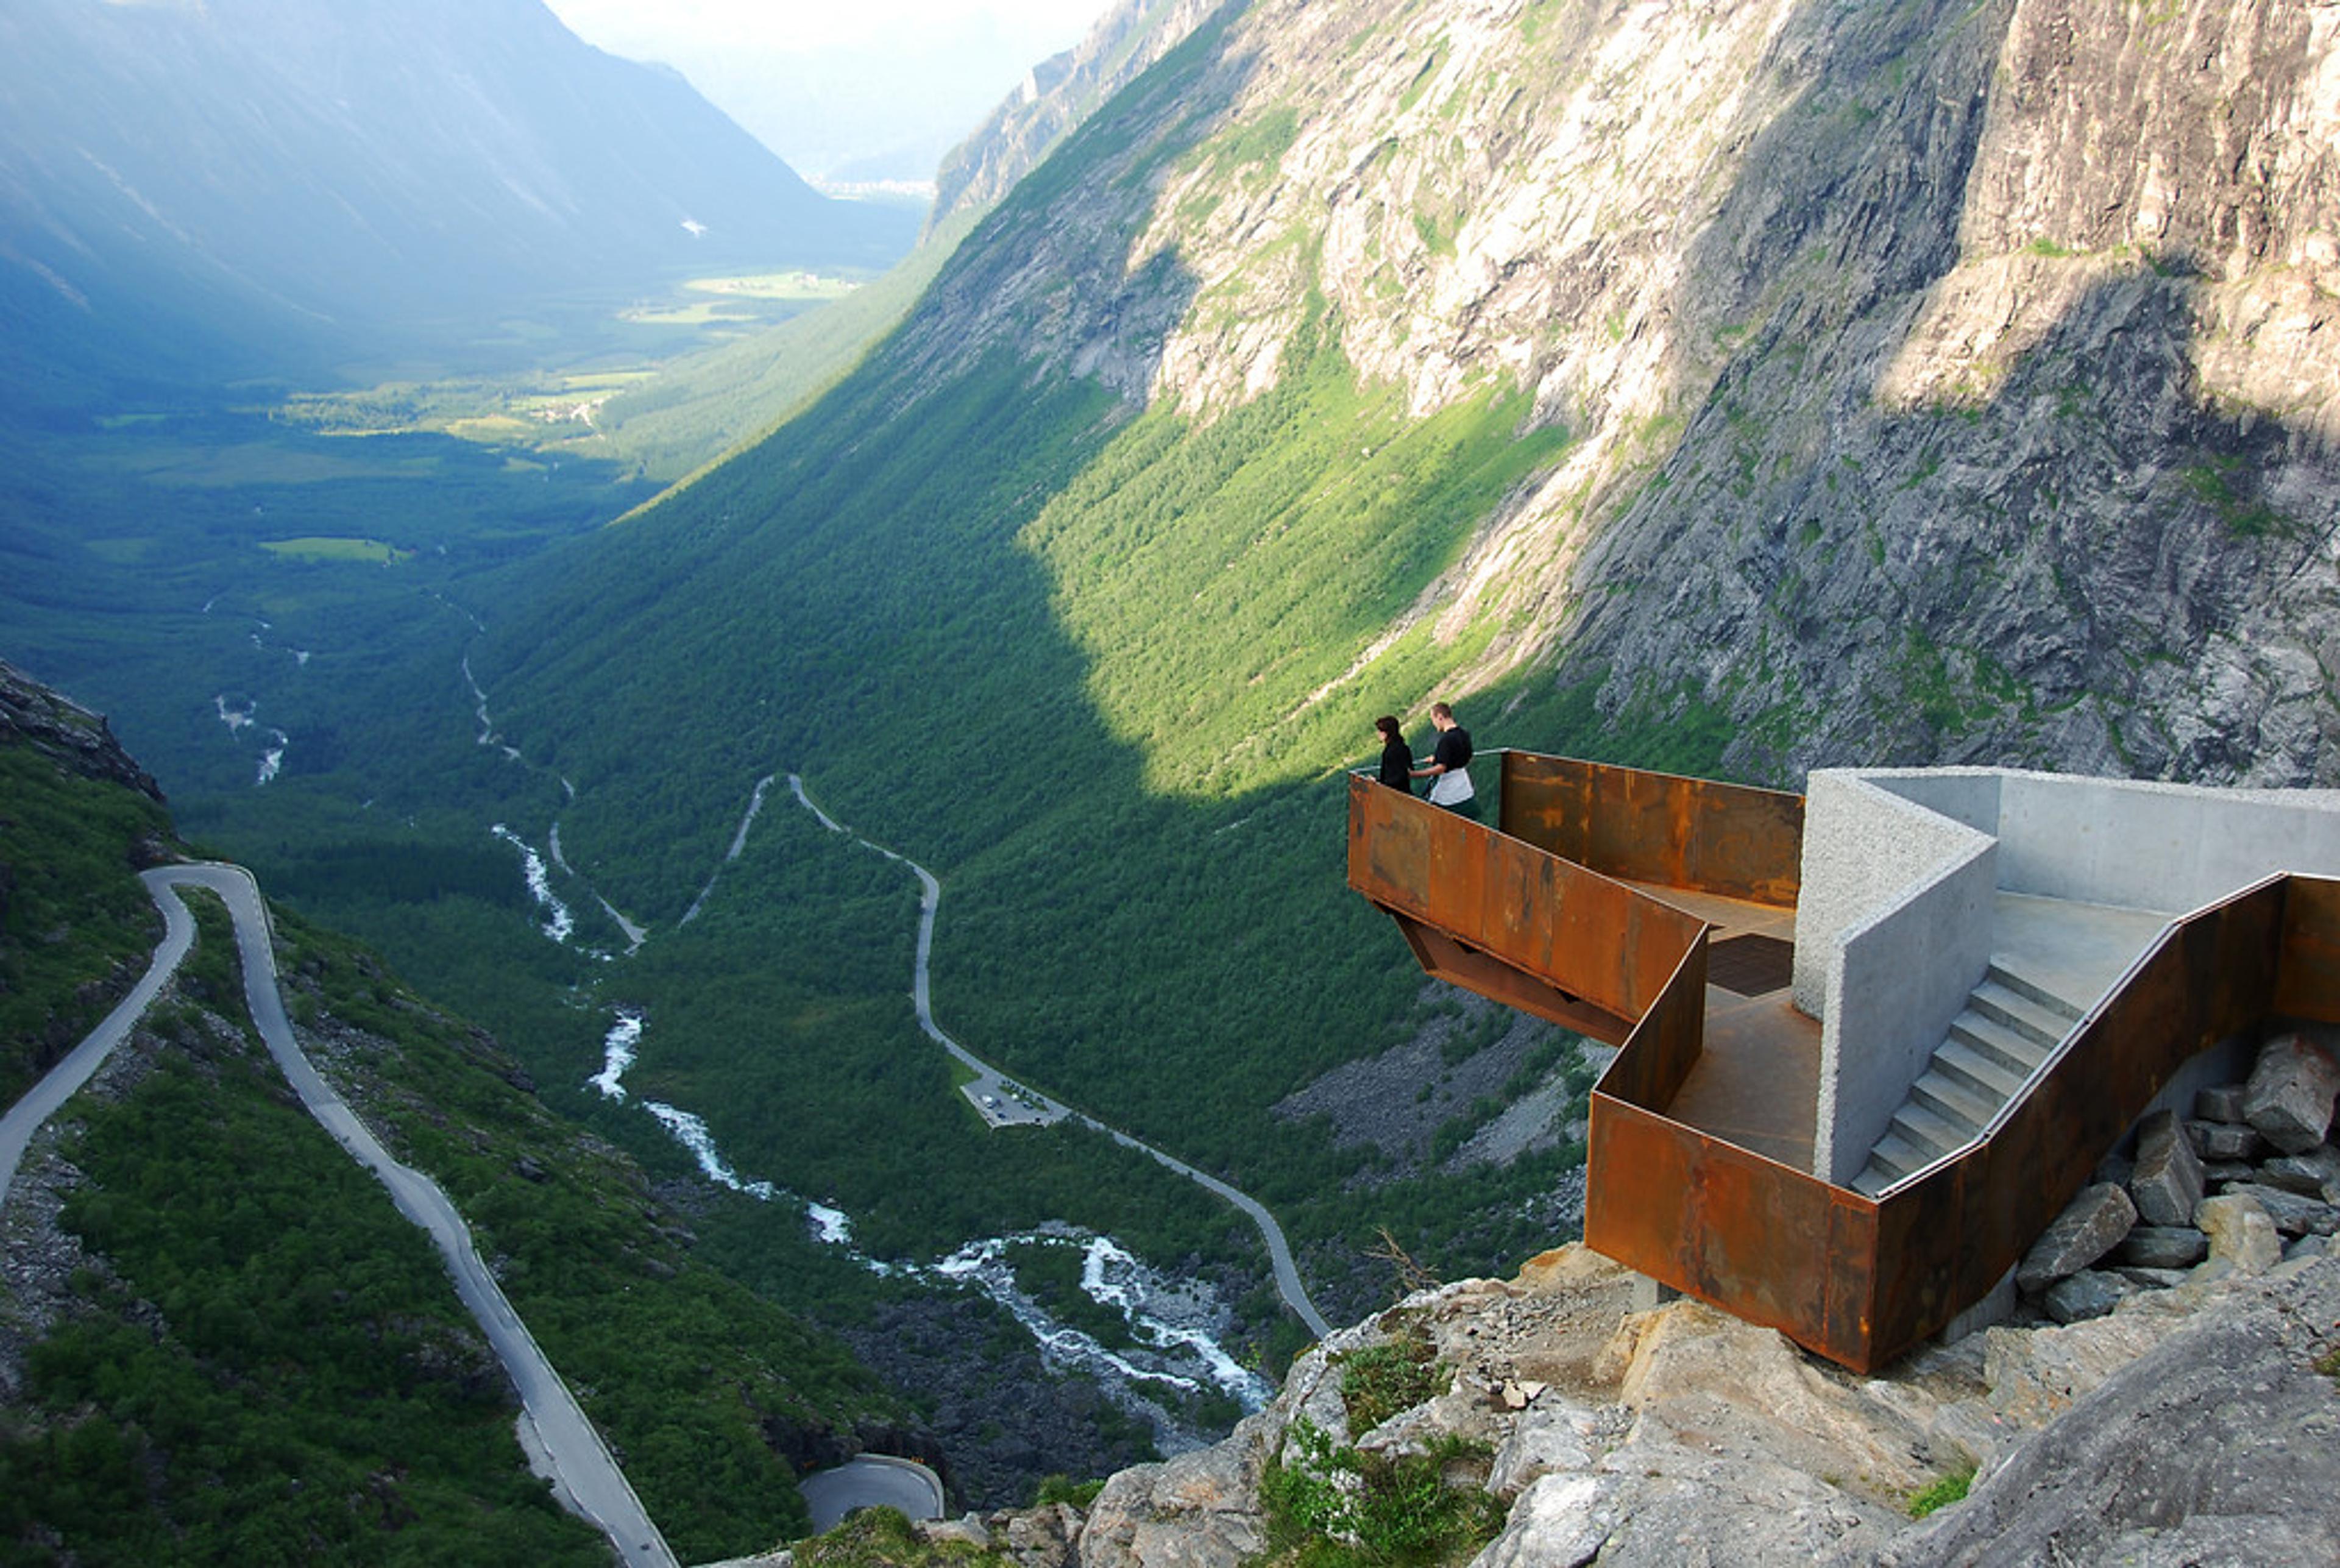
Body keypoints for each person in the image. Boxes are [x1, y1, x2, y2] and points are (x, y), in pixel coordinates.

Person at [1411, 701, 1477, 817]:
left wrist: (1416, 774)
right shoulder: (1464, 734)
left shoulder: (1446, 740)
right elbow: (1468, 757)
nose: (1434, 724)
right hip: (1464, 785)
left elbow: (1441, 768)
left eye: (1433, 719)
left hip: (1448, 791)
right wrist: (1438, 758)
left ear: (1440, 717)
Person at [1374, 715, 1413, 793]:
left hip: (1396, 795)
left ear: (1387, 733)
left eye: (1381, 731)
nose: (1378, 734)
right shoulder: (1403, 747)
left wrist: (1378, 782)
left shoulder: (1392, 751)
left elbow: (1397, 777)